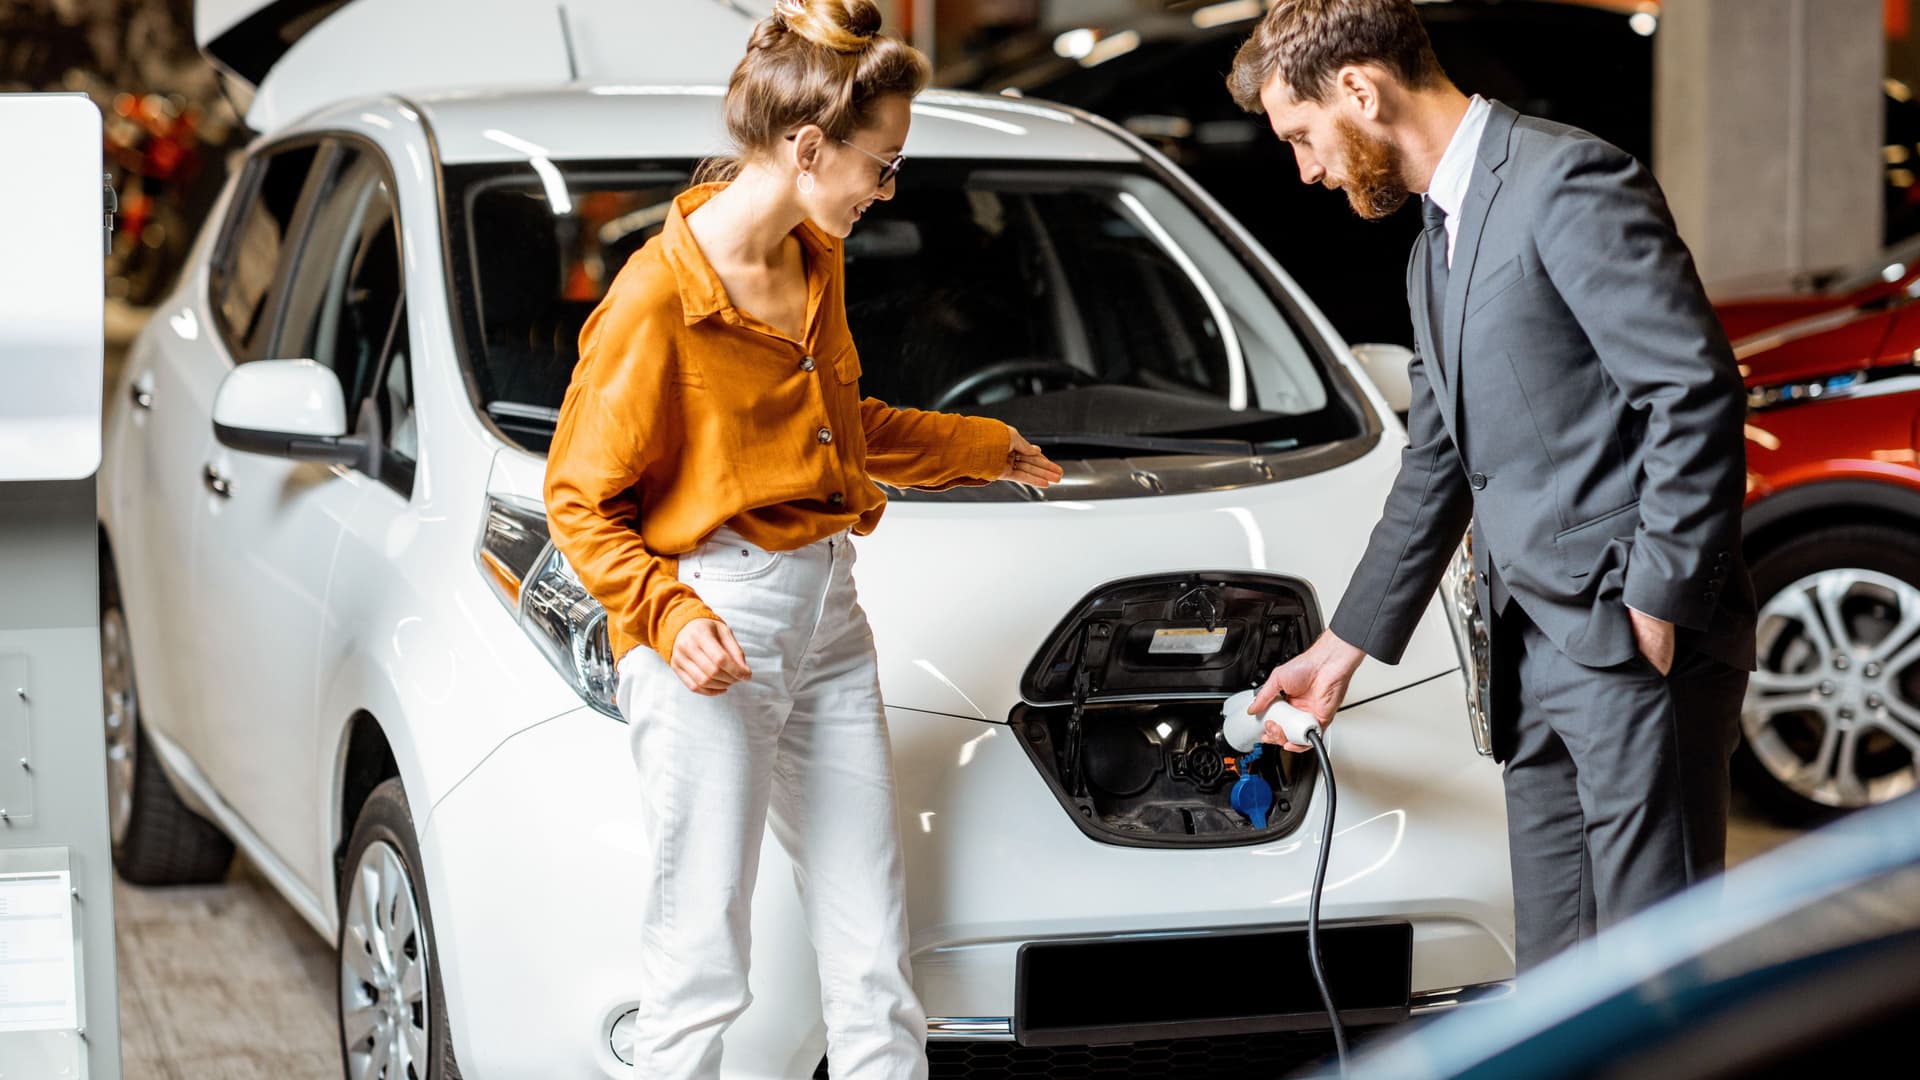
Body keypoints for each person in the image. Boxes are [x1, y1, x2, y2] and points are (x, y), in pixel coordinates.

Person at [542, 2, 1063, 1075]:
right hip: (714, 630)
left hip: (829, 615)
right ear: (808, 146)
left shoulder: (811, 262)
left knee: (873, 961)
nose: (886, 189)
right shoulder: (656, 301)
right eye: (882, 166)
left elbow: (838, 431)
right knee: (699, 970)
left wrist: (980, 446)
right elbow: (578, 500)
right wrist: (666, 613)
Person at [1229, 0, 1756, 972]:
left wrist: (1657, 600)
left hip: (1630, 644)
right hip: (1528, 657)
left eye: (1304, 137)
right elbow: (1438, 463)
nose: (1307, 168)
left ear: (1359, 89)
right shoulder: (1435, 248)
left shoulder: (1569, 183)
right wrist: (1340, 651)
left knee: (1660, 972)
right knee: (1557, 976)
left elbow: (1693, 393)